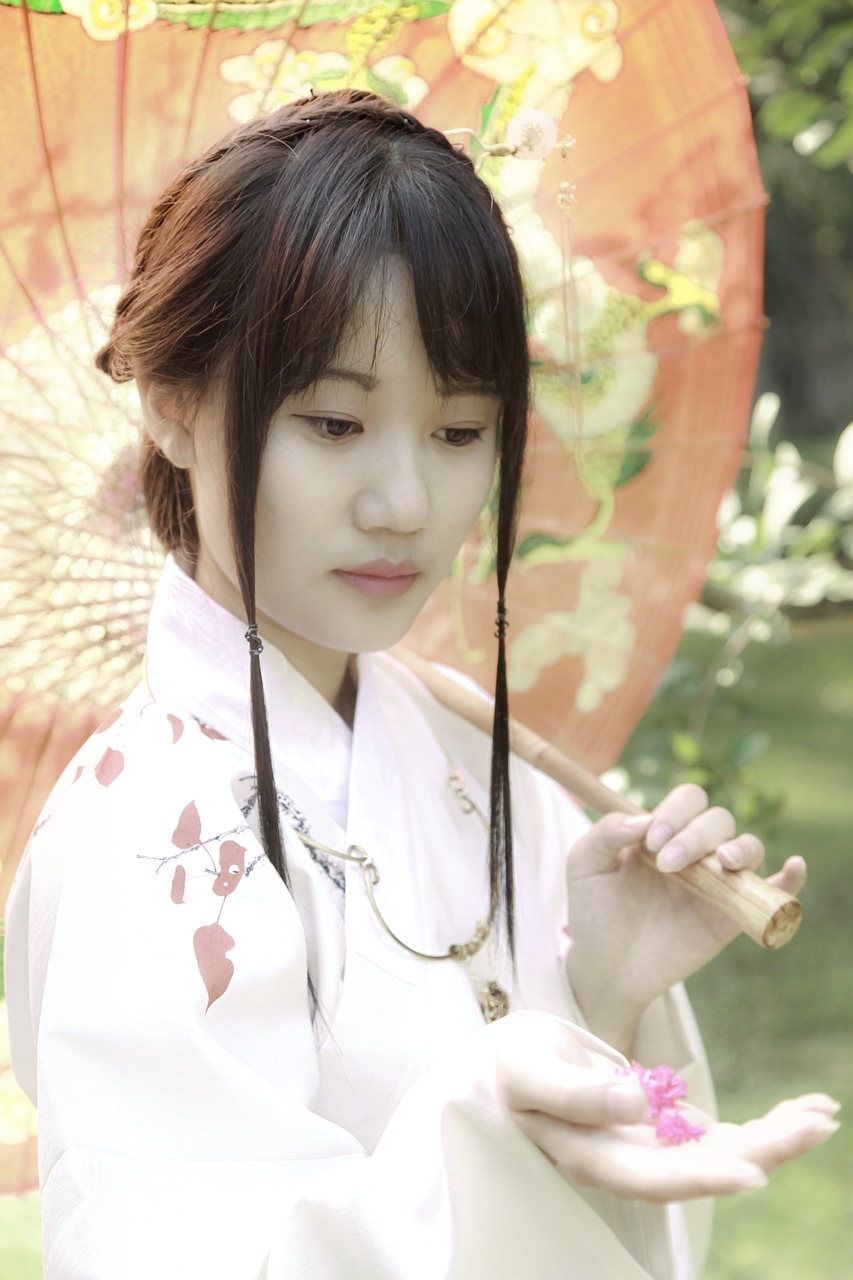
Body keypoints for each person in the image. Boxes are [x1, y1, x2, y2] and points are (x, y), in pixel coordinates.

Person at [4, 90, 838, 1280]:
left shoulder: (460, 743)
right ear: (175, 406)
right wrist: (485, 1117)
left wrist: (599, 983)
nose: (406, 502)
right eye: (335, 423)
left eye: (458, 432)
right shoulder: (143, 838)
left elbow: (579, 1126)